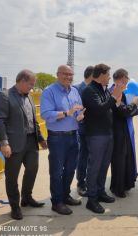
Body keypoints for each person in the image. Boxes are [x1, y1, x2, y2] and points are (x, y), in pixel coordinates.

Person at [0, 70, 47, 220]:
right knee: (12, 176)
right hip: (13, 143)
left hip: (31, 141)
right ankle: (15, 206)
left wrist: (41, 138)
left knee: (32, 169)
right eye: (31, 84)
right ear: (21, 81)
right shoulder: (4, 96)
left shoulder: (29, 96)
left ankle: (27, 198)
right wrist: (4, 143)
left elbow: (34, 121)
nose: (32, 88)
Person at [40, 65, 85, 215]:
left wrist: (80, 114)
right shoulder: (49, 91)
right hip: (57, 138)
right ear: (57, 74)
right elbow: (45, 114)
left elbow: (78, 109)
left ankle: (65, 196)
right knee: (57, 171)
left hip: (74, 135)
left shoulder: (74, 91)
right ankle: (57, 202)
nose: (68, 77)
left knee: (71, 169)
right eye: (65, 74)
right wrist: (66, 113)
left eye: (71, 74)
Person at [81, 64, 125, 214]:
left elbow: (110, 108)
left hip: (107, 134)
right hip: (96, 135)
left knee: (104, 165)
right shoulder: (89, 90)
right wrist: (114, 96)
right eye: (107, 75)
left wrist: (116, 97)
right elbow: (100, 109)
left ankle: (100, 192)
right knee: (94, 167)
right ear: (100, 75)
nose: (109, 78)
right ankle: (91, 199)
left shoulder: (103, 89)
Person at [110, 68, 138, 198]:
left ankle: (124, 184)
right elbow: (124, 111)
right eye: (126, 78)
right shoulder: (115, 92)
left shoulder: (120, 91)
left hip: (123, 130)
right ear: (122, 78)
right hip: (117, 131)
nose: (127, 81)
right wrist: (134, 104)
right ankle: (118, 188)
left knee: (125, 158)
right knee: (119, 160)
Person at [74, 65, 94, 197]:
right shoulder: (76, 89)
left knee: (91, 158)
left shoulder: (95, 89)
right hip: (81, 129)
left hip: (94, 130)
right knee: (82, 157)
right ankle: (81, 183)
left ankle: (89, 181)